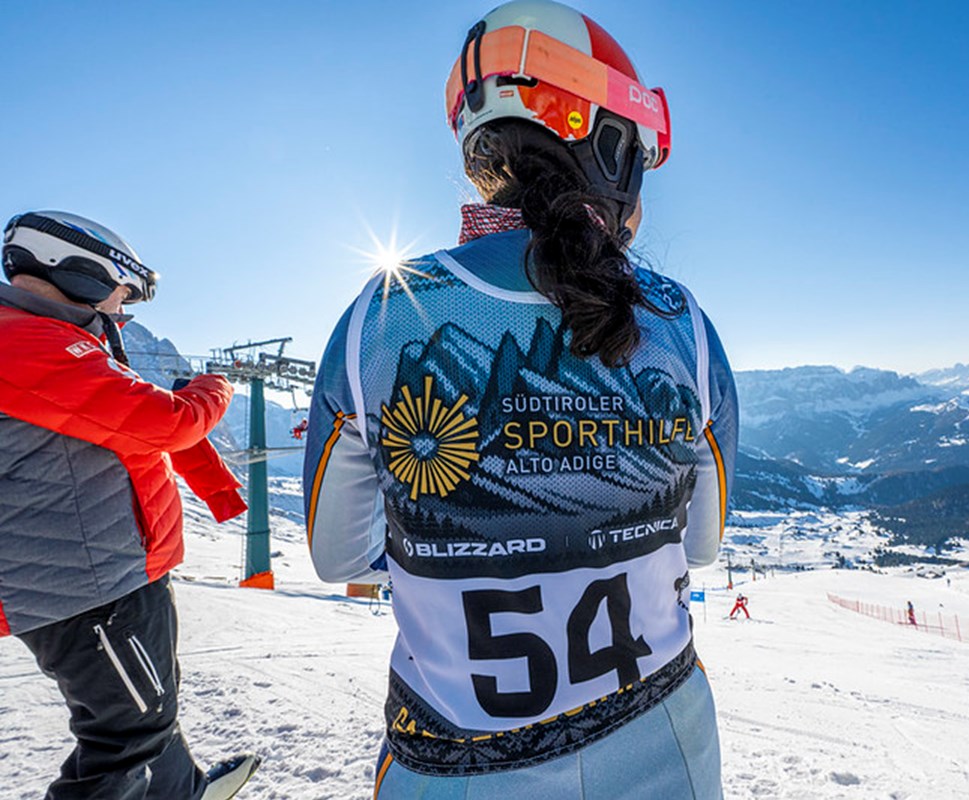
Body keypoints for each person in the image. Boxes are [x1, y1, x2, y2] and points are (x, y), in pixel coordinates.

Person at [303, 2, 736, 797]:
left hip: (458, 759)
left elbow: (339, 557)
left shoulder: (383, 317)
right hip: (666, 737)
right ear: (608, 146)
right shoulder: (683, 325)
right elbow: (700, 546)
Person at [0, 211, 260, 799]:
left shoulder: (52, 341)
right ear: (81, 272)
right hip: (85, 587)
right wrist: (215, 386)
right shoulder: (26, 342)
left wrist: (218, 492)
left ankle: (181, 790)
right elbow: (169, 422)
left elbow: (131, 432)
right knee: (126, 735)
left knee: (150, 708)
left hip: (107, 573)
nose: (122, 310)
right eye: (123, 293)